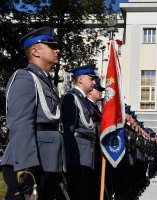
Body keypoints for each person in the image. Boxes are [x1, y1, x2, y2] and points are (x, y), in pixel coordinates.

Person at [1, 26, 66, 200]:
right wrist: (25, 168)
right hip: (31, 161)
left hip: (48, 160)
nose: (57, 50)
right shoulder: (24, 78)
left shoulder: (48, 84)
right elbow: (21, 124)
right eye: (51, 46)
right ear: (35, 51)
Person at [61, 64, 98, 200]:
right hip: (76, 156)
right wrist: (64, 160)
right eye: (91, 78)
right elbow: (67, 129)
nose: (94, 82)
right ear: (81, 79)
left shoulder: (84, 101)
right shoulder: (71, 98)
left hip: (86, 154)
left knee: (83, 192)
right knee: (74, 192)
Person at [87, 78, 105, 200]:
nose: (101, 92)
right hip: (90, 150)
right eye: (98, 89)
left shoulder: (96, 108)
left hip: (97, 150)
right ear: (91, 91)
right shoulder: (86, 104)